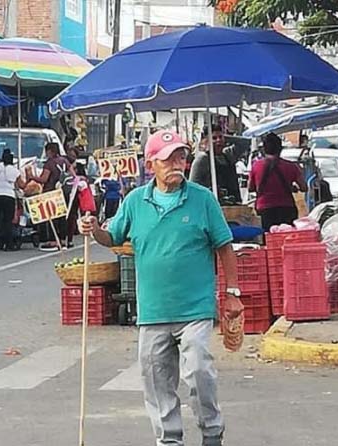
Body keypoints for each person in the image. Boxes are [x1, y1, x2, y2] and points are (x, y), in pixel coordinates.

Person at [78, 129, 244, 446]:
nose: (177, 163)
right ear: (151, 163)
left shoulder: (202, 199)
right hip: (153, 309)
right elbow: (111, 237)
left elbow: (224, 246)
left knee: (198, 368)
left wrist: (232, 293)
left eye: (181, 156)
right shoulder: (135, 201)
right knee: (155, 378)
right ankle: (169, 438)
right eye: (169, 158)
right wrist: (93, 228)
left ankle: (211, 430)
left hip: (195, 307)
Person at [248, 132, 308, 232]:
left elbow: (251, 188)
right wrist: (292, 187)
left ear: (264, 149)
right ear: (280, 149)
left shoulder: (256, 166)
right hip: (286, 208)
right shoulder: (291, 167)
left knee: (268, 240)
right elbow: (304, 187)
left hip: (264, 209)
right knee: (287, 238)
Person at [28, 142, 74, 251]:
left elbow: (44, 179)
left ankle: (54, 240)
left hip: (51, 192)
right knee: (62, 216)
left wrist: (32, 177)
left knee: (52, 217)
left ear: (49, 151)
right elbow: (73, 174)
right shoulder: (64, 161)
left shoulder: (50, 163)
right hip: (63, 192)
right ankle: (63, 239)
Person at [0, 149, 26, 252]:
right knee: (8, 221)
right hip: (9, 196)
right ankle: (9, 244)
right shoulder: (15, 170)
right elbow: (21, 185)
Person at [190, 124, 241, 203]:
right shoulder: (202, 159)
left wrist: (226, 137)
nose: (218, 140)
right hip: (212, 204)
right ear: (207, 140)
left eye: (220, 137)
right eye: (214, 138)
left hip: (233, 205)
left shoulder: (228, 154)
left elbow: (245, 142)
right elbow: (193, 186)